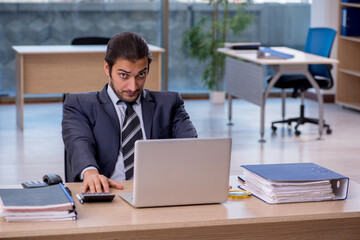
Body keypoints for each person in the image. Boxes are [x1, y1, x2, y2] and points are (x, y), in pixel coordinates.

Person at [62, 32, 197, 193]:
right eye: (123, 75)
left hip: (159, 192)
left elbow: (191, 148)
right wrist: (90, 172)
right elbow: (79, 142)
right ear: (107, 68)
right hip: (109, 192)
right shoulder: (79, 105)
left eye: (141, 74)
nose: (133, 87)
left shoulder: (170, 103)